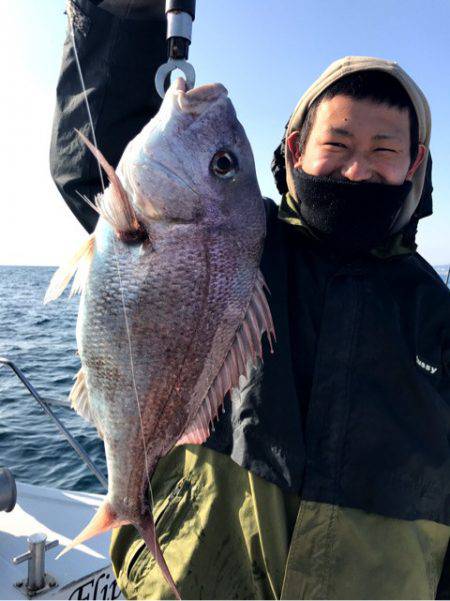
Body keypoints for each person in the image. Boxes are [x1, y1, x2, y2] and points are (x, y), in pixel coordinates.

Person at [51, 1, 450, 599]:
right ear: (293, 149)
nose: (356, 169)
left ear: (414, 163)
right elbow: (96, 163)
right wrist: (120, 16)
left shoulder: (436, 313)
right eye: (336, 143)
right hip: (198, 579)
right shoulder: (249, 245)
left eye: (384, 149)